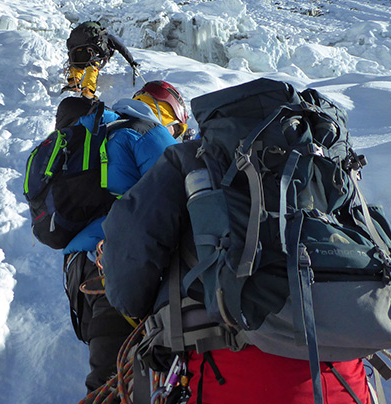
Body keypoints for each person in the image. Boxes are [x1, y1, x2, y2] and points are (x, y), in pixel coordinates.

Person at [100, 95, 372, 404]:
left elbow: (128, 263)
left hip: (223, 375)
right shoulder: (324, 172)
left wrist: (143, 311)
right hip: (344, 378)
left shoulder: (189, 163)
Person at [59, 80, 189, 393]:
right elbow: (183, 194)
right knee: (119, 382)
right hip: (115, 264)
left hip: (78, 266)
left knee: (111, 381)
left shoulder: (104, 132)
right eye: (179, 131)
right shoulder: (147, 132)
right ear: (170, 113)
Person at [62, 21, 139, 99]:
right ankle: (87, 89)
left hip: (77, 52)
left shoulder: (81, 37)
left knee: (78, 64)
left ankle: (74, 81)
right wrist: (131, 61)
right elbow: (122, 48)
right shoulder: (104, 36)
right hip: (94, 51)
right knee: (92, 67)